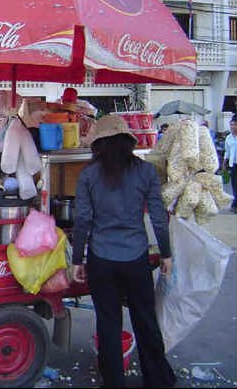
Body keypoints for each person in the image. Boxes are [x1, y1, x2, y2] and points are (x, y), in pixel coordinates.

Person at [72, 115, 175, 388]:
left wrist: (77, 259)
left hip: (101, 259)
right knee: (145, 320)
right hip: (136, 258)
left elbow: (82, 220)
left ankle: (114, 381)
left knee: (108, 323)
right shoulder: (146, 172)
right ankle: (158, 379)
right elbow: (158, 217)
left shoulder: (88, 175)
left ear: (100, 145)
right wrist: (166, 253)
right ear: (127, 142)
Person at [223, 115, 237, 214]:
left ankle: (234, 204)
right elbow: (227, 152)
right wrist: (224, 163)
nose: (232, 127)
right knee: (234, 185)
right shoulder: (229, 138)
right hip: (234, 165)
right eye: (231, 124)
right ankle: (235, 204)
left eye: (235, 125)